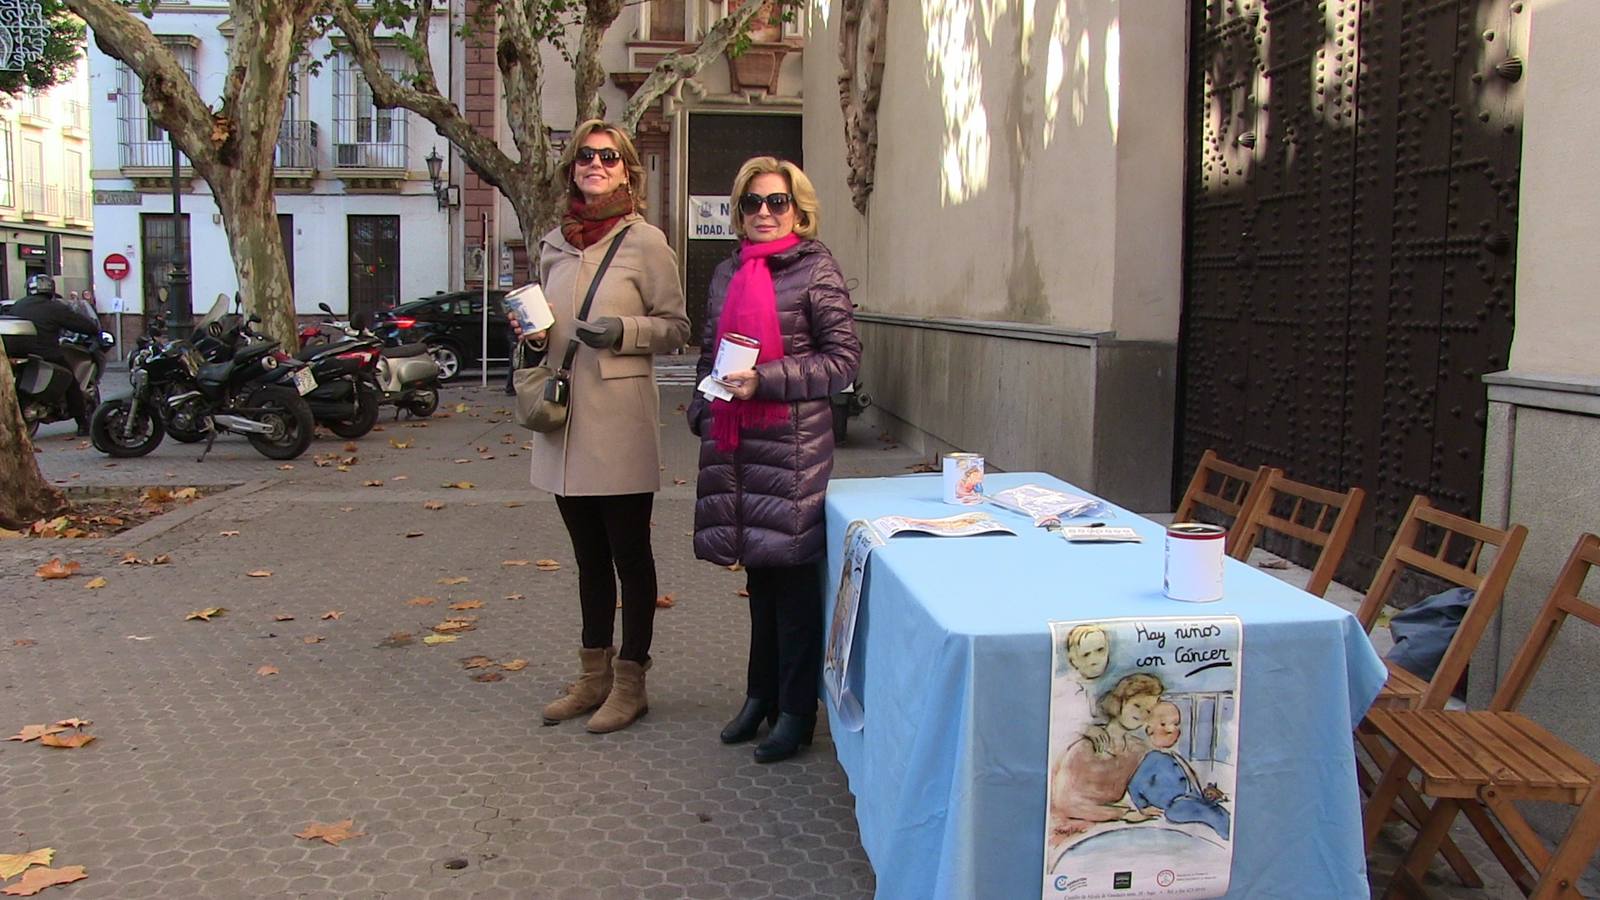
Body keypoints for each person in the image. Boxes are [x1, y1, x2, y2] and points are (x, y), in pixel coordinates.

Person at [511, 119, 689, 735]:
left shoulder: (647, 242)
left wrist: (625, 332)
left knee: (629, 555)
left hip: (618, 420)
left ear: (627, 169)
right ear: (573, 168)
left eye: (608, 157)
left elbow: (675, 327)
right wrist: (533, 337)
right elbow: (545, 328)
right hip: (562, 423)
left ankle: (632, 680)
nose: (596, 165)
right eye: (586, 156)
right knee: (587, 557)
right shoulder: (553, 243)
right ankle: (593, 677)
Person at [687, 157, 862, 764]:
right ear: (739, 211)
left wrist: (765, 381)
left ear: (799, 209)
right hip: (735, 445)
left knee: (793, 587)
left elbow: (843, 362)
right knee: (759, 580)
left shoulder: (816, 270)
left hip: (791, 449)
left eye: (777, 202)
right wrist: (702, 407)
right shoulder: (726, 272)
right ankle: (758, 698)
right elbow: (711, 352)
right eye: (753, 202)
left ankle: (796, 713)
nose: (765, 212)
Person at [1047, 673, 1164, 843]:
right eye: (1136, 705)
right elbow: (1064, 802)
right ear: (1119, 703)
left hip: (1113, 826)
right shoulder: (1084, 747)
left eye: (1148, 710)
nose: (1141, 714)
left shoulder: (1138, 750)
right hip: (1071, 828)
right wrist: (1122, 814)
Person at [5, 274, 99, 434]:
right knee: (71, 382)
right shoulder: (55, 307)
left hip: (17, 354)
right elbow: (80, 324)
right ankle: (82, 423)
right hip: (47, 354)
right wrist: (93, 328)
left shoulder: (17, 305)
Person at [1126, 701, 1231, 839]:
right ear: (1149, 730)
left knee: (1217, 811)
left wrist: (1205, 795)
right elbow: (1134, 785)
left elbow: (1189, 784)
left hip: (1189, 801)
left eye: (1175, 724)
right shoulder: (1153, 758)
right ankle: (1226, 834)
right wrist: (1143, 807)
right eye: (1163, 724)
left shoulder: (1176, 758)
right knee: (1209, 814)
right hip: (1175, 807)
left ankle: (1228, 833)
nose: (1171, 729)